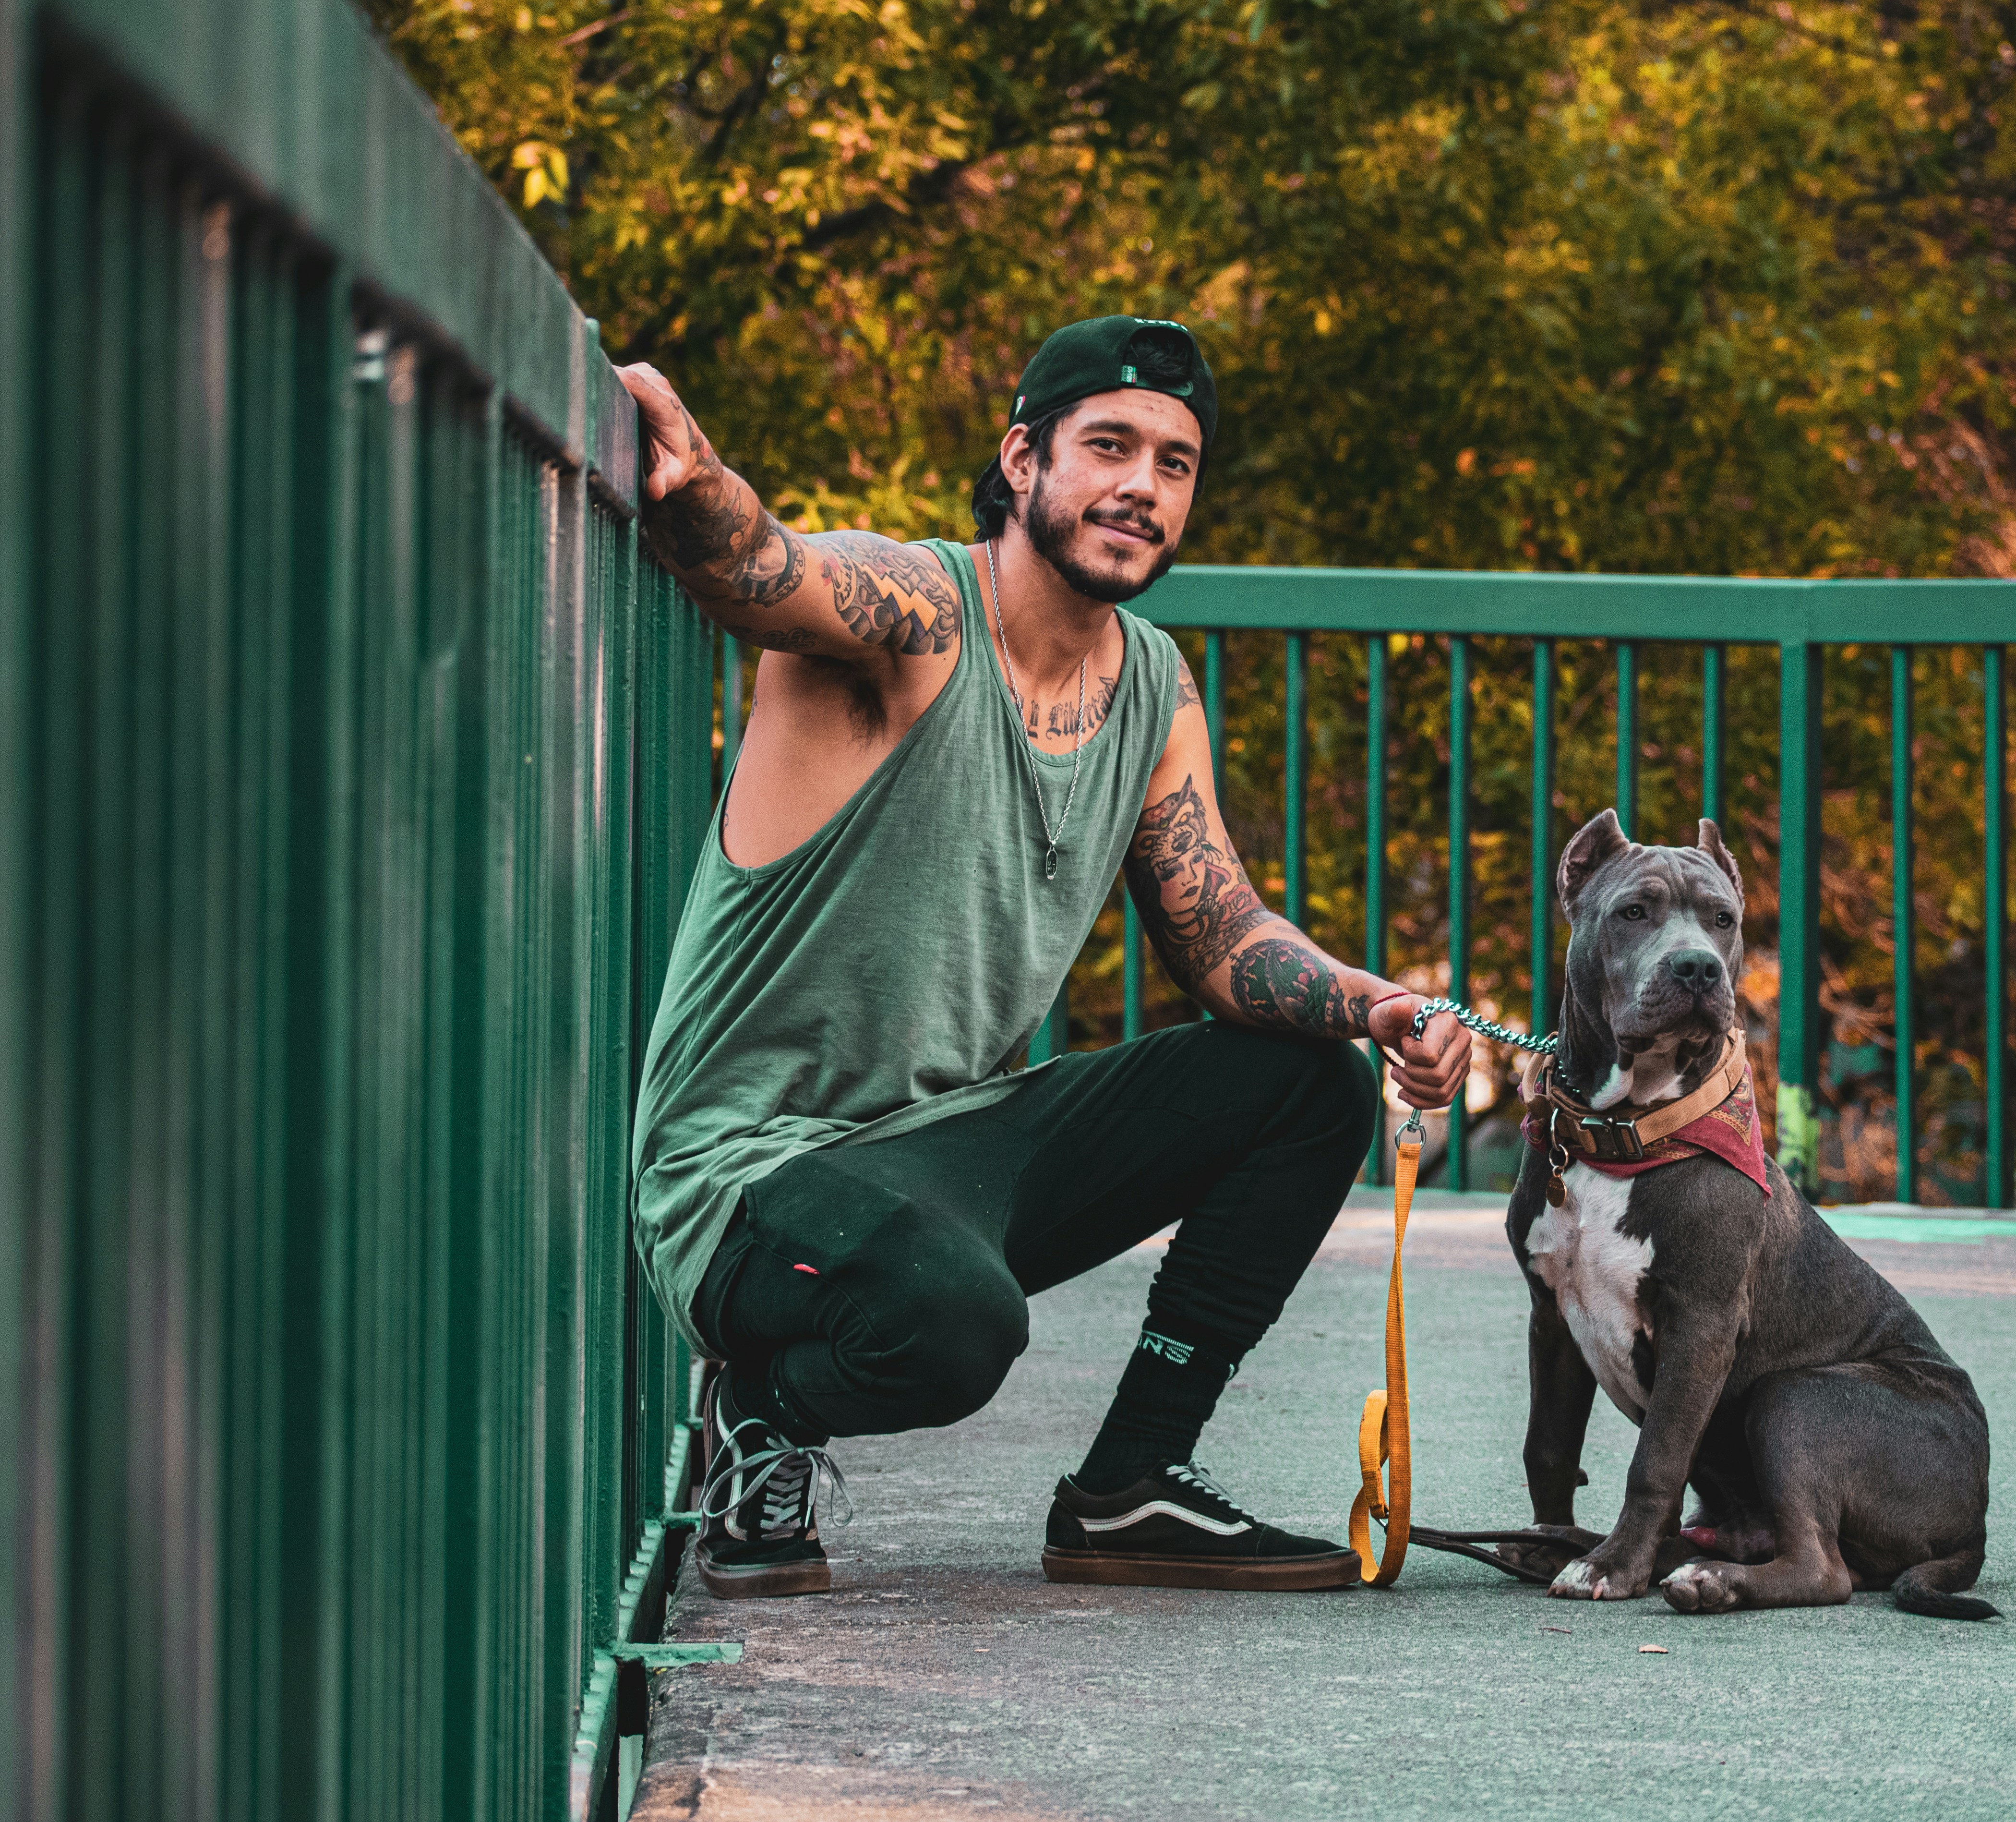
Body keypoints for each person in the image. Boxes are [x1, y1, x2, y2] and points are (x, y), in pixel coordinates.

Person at [618, 316, 1470, 1598]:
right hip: (747, 1180)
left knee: (1310, 1083)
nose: (1143, 487)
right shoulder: (916, 615)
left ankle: (1133, 1485)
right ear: (1023, 460)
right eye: (1109, 446)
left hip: (946, 1149)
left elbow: (1222, 936)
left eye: (1175, 463)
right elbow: (761, 570)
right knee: (953, 1320)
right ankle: (764, 1414)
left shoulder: (1153, 687)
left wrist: (1378, 1005)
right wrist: (693, 478)